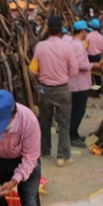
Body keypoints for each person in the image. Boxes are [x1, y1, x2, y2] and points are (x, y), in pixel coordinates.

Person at [30, 15, 78, 167]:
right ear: (61, 31)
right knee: (63, 123)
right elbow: (74, 70)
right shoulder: (68, 47)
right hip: (63, 88)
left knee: (45, 121)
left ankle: (45, 150)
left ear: (48, 29)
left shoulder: (40, 47)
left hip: (45, 89)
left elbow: (33, 70)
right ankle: (62, 156)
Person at [65, 21, 101, 148]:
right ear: (83, 31)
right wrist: (93, 65)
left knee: (74, 109)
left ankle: (71, 133)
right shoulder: (77, 45)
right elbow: (80, 64)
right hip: (79, 83)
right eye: (86, 31)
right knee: (78, 110)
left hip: (74, 82)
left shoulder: (70, 42)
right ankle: (72, 135)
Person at [87, 19, 103, 90]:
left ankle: (90, 89)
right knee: (97, 74)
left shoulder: (88, 36)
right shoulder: (101, 36)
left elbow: (85, 47)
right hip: (98, 57)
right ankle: (97, 90)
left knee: (89, 74)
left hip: (89, 57)